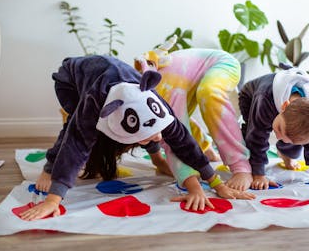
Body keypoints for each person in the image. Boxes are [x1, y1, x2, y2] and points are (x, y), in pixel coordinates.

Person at [20, 55, 254, 221]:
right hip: (70, 79)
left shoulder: (156, 102)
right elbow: (75, 147)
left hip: (117, 82)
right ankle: (50, 166)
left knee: (152, 130)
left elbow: (185, 144)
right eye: (150, 140)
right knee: (76, 126)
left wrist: (216, 183)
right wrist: (53, 199)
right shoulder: (93, 105)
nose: (159, 138)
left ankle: (156, 160)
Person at [134, 37, 253, 191]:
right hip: (187, 74)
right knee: (174, 123)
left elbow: (176, 137)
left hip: (222, 63)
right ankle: (206, 149)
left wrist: (188, 178)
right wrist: (158, 161)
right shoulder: (143, 99)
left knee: (208, 92)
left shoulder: (166, 95)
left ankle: (241, 166)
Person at [238, 65, 309, 190]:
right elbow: (256, 137)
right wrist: (259, 174)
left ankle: (285, 153)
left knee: (293, 135)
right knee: (251, 132)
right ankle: (245, 166)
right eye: (278, 129)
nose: (278, 137)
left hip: (282, 108)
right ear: (284, 106)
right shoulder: (264, 99)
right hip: (251, 95)